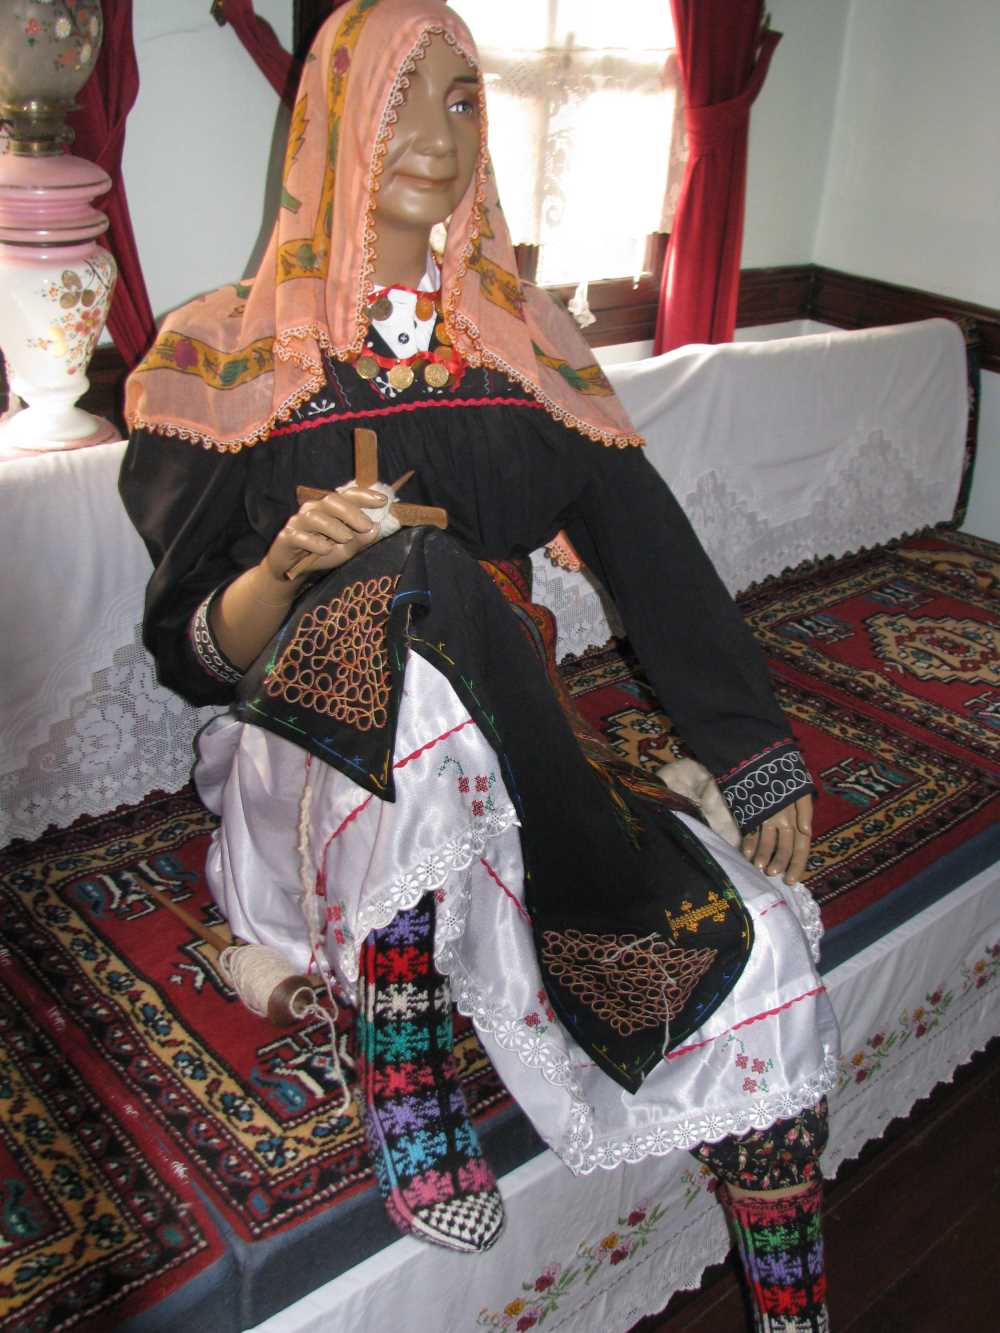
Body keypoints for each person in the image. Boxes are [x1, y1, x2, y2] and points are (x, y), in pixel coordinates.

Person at [120, 2, 839, 1327]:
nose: (436, 135)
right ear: (332, 117)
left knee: (762, 961)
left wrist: (750, 743)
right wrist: (282, 567)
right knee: (413, 576)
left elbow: (651, 554)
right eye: (398, 93)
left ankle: (796, 1309)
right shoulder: (221, 351)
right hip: (311, 760)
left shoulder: (523, 345)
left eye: (462, 100)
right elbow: (196, 653)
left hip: (515, 742)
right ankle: (400, 1044)